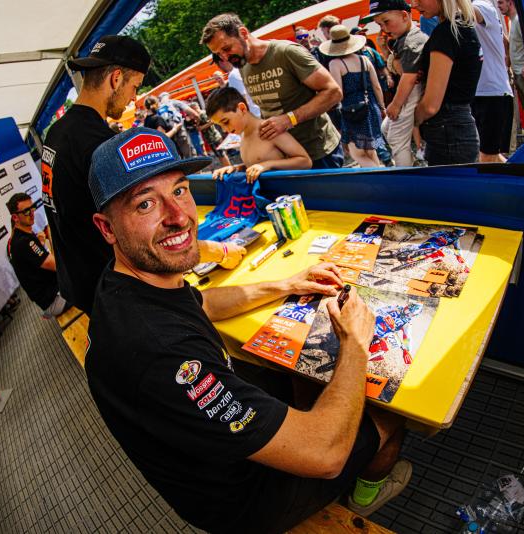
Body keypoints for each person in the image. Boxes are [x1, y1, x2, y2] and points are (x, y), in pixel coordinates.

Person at [85, 127, 411, 533]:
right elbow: (325, 454)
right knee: (388, 414)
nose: (179, 217)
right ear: (106, 228)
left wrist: (287, 284)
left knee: (299, 370)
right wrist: (356, 342)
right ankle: (367, 496)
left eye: (180, 190)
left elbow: (202, 303)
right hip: (245, 500)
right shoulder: (160, 351)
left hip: (208, 454)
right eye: (146, 204)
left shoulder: (129, 281)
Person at [41, 35, 245, 315]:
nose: (134, 98)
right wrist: (217, 251)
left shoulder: (57, 132)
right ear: (116, 79)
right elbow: (144, 227)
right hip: (116, 289)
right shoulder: (100, 146)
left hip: (80, 280)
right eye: (134, 87)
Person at [201, 13, 345, 169]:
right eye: (218, 54)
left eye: (226, 48)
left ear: (243, 33)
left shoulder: (286, 52)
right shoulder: (243, 65)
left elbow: (333, 92)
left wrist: (289, 119)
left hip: (319, 151)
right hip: (285, 158)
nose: (224, 57)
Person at [413, 0, 483, 165]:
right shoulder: (463, 28)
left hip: (448, 130)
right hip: (457, 127)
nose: (414, 4)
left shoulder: (446, 32)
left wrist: (412, 119)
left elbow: (431, 106)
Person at [365, 0, 428, 167]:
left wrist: (396, 104)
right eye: (380, 25)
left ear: (404, 16)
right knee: (386, 129)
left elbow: (409, 77)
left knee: (396, 139)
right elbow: (402, 71)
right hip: (409, 93)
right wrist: (385, 50)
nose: (384, 29)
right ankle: (411, 165)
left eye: (386, 22)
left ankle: (406, 173)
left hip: (412, 93)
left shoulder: (411, 40)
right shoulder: (403, 39)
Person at [206, 87, 312, 183]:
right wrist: (236, 169)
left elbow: (305, 161)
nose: (224, 129)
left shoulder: (269, 129)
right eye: (220, 125)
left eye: (225, 122)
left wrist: (268, 164)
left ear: (242, 109)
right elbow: (255, 165)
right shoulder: (243, 136)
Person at [320, 25, 386, 168]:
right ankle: (379, 178)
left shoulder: (335, 64)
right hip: (371, 108)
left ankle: (380, 178)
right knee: (371, 151)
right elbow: (377, 86)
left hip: (352, 111)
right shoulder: (365, 59)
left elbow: (338, 93)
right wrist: (382, 107)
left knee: (357, 153)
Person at [6, 193, 67, 318]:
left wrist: (41, 244)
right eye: (26, 211)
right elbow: (57, 265)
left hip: (54, 291)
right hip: (55, 300)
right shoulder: (24, 242)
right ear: (15, 217)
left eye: (32, 208)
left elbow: (33, 262)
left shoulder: (20, 237)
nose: (32, 213)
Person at [472, 0, 514, 162]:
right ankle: (515, 176)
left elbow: (470, 14)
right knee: (487, 155)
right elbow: (505, 42)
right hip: (483, 91)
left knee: (487, 156)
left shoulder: (482, 6)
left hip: (492, 93)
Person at [497, 0, 524, 130]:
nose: (498, 6)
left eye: (501, 3)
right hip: (518, 73)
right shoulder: (512, 22)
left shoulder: (517, 21)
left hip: (523, 74)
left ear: (510, 3)